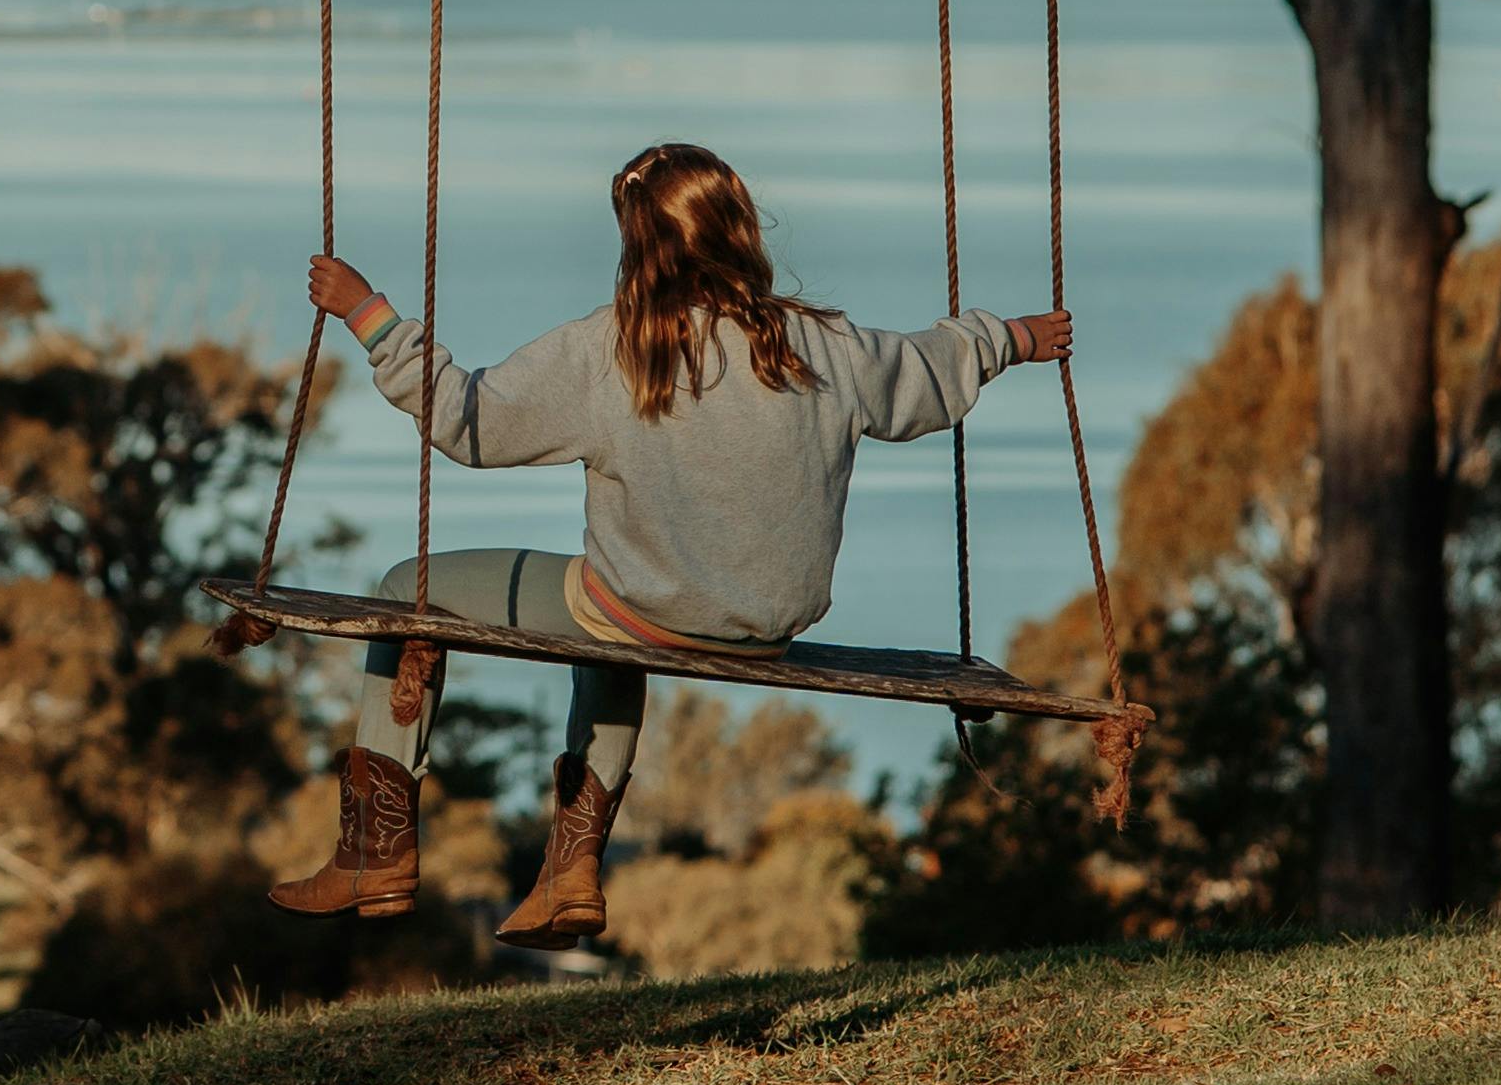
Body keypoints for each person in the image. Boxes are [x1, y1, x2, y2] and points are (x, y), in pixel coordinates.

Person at [264, 139, 1069, 947]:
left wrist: (368, 314)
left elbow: (465, 421)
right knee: (613, 614)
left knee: (411, 586)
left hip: (638, 613)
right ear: (739, 229)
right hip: (766, 631)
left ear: (635, 241)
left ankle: (374, 855)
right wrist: (1013, 337)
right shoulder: (822, 344)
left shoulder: (612, 347)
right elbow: (928, 371)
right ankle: (568, 877)